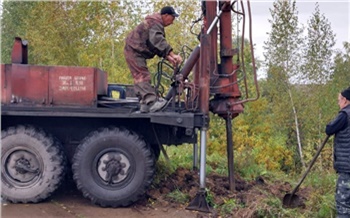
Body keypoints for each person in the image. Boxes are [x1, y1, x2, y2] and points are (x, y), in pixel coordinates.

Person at [124, 6, 183, 113]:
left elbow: (154, 45)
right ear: (165, 16)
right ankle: (151, 102)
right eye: (172, 19)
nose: (172, 22)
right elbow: (157, 40)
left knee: (141, 75)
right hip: (134, 50)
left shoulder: (155, 23)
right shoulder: (155, 23)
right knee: (141, 76)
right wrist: (172, 54)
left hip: (136, 50)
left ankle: (145, 104)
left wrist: (168, 57)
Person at [326, 87, 350, 217]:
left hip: (347, 167)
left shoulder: (344, 114)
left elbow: (329, 129)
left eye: (339, 100)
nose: (338, 103)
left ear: (345, 100)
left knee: (343, 203)